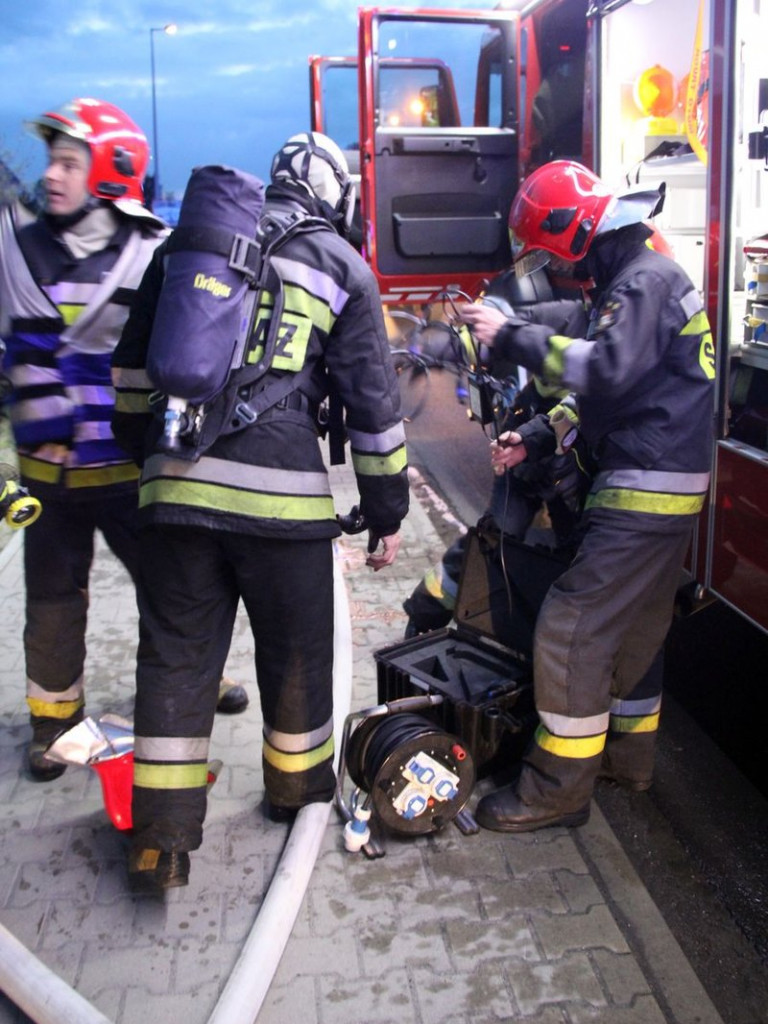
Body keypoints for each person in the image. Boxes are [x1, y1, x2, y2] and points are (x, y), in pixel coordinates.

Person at [111, 131, 410, 891]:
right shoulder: (344, 268)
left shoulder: (192, 245)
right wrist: (386, 509)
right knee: (299, 655)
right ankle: (294, 797)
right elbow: (373, 410)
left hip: (174, 498)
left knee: (175, 659)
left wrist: (156, 462)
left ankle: (161, 841)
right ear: (335, 196)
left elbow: (128, 380)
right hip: (283, 509)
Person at [459, 159, 714, 832]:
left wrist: (511, 334)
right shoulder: (639, 279)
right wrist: (537, 437)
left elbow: (602, 370)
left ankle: (555, 793)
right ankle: (625, 761)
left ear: (576, 233)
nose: (556, 267)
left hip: (643, 487)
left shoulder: (643, 283)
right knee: (633, 626)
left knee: (572, 628)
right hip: (664, 482)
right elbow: (603, 396)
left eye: (551, 251)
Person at [0, 98, 248, 784]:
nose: (51, 175)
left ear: (111, 172)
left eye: (69, 162)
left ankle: (203, 677)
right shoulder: (17, 249)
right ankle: (54, 725)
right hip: (50, 474)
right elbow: (15, 347)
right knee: (52, 601)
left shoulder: (151, 254)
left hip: (130, 468)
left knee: (175, 587)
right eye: (52, 160)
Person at [403, 269, 593, 637]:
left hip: (567, 457)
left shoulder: (619, 326)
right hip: (532, 447)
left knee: (576, 557)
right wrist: (443, 345)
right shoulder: (572, 314)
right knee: (492, 542)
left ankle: (541, 637)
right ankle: (425, 613)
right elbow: (501, 328)